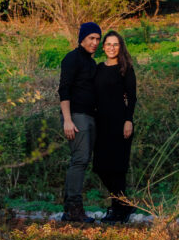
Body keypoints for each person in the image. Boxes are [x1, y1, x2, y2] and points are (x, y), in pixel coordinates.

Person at [58, 21, 102, 223]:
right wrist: (67, 120)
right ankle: (73, 210)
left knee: (83, 161)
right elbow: (64, 90)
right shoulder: (72, 58)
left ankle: (72, 209)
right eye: (91, 38)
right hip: (76, 116)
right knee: (79, 159)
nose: (95, 42)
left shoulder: (91, 63)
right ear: (82, 38)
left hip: (90, 116)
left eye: (97, 39)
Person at [93, 30, 137, 223]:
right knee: (101, 167)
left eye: (115, 44)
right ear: (103, 47)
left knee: (117, 167)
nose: (112, 47)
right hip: (101, 123)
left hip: (120, 123)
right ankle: (123, 205)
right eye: (108, 44)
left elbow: (132, 97)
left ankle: (118, 210)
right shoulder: (97, 69)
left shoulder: (126, 68)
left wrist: (129, 120)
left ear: (120, 47)